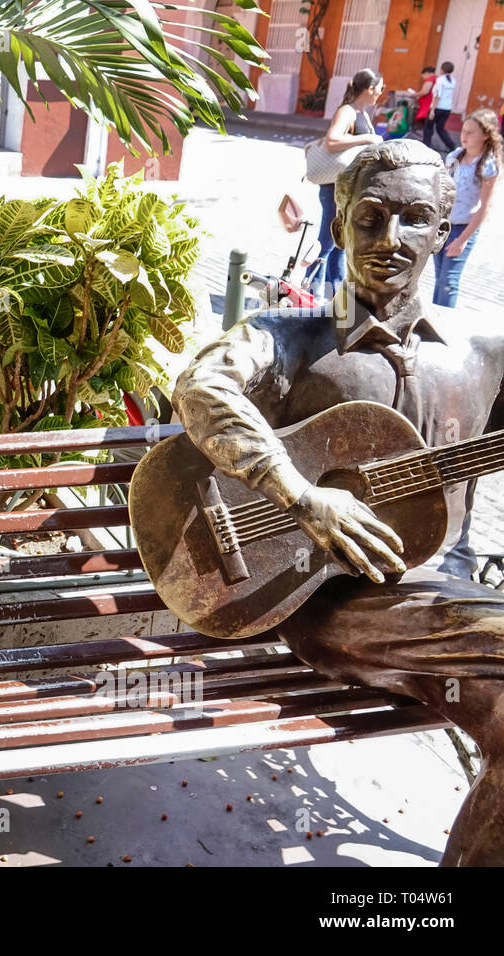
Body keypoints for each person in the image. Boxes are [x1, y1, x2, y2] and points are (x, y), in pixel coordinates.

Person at [172, 139, 504, 866]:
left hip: (440, 607)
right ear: (337, 223)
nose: (390, 241)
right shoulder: (291, 337)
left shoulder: (484, 351)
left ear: (444, 233)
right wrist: (300, 494)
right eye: (370, 218)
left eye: (415, 220)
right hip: (319, 601)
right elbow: (202, 387)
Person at [315, 69, 384, 297]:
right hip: (334, 188)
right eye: (380, 88)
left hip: (346, 189)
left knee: (338, 244)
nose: (381, 93)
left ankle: (332, 295)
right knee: (326, 244)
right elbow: (331, 141)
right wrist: (368, 139)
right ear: (370, 88)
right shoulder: (348, 111)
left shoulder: (361, 113)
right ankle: (310, 290)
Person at [432, 108, 500, 307]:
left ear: (486, 135)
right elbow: (442, 189)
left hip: (462, 229)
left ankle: (444, 324)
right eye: (463, 131)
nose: (464, 136)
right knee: (439, 278)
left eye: (471, 132)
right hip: (443, 226)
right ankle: (434, 321)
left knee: (449, 282)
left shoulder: (487, 165)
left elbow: (484, 208)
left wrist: (462, 240)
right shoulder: (454, 156)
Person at [423, 61, 456, 152]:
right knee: (440, 128)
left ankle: (425, 147)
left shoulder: (440, 80)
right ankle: (452, 146)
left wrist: (432, 110)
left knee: (428, 128)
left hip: (437, 107)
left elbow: (438, 95)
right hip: (447, 108)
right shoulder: (453, 81)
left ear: (442, 69)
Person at [412, 65, 436, 135]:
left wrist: (415, 94)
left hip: (427, 103)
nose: (423, 78)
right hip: (432, 103)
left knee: (424, 121)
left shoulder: (430, 79)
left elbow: (425, 91)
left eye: (423, 76)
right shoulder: (437, 79)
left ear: (426, 73)